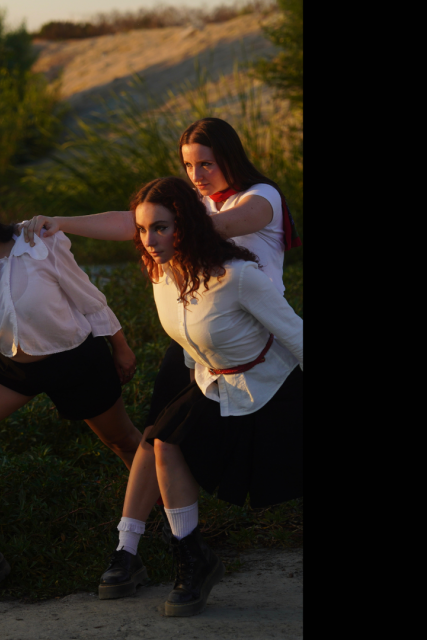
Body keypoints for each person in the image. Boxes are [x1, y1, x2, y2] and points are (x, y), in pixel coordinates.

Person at [19, 116, 301, 549]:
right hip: (197, 332)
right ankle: (129, 548)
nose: (196, 176)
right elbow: (139, 220)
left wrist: (164, 220)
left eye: (205, 164)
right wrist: (62, 221)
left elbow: (212, 230)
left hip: (255, 335)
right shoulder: (197, 202)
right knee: (157, 436)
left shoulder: (261, 198)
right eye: (188, 166)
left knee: (227, 444)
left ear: (229, 156)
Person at [0, 175, 142, 602]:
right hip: (12, 368)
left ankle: (164, 529)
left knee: (123, 441)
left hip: (74, 357)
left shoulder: (35, 242)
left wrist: (120, 345)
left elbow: (85, 295)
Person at [103, 176, 302, 617]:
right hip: (217, 383)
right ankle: (194, 559)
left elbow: (296, 335)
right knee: (166, 441)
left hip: (276, 390)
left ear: (187, 225)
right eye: (142, 229)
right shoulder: (162, 273)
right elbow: (192, 341)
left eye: (161, 227)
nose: (150, 240)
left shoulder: (238, 276)